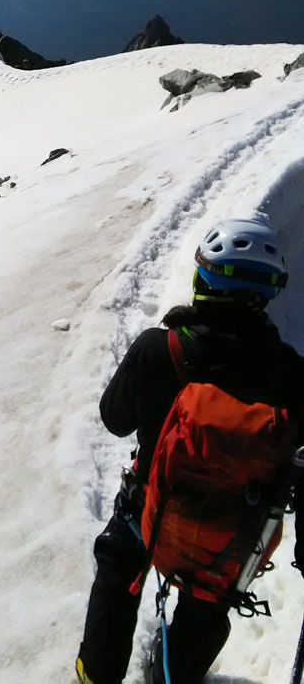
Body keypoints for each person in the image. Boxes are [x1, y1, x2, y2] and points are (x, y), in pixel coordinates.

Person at [76, 216, 304, 684]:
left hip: (152, 512)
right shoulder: (290, 374)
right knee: (208, 599)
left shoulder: (158, 350)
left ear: (204, 281)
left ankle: (95, 674)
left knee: (119, 564)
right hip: (233, 531)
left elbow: (114, 419)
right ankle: (174, 674)